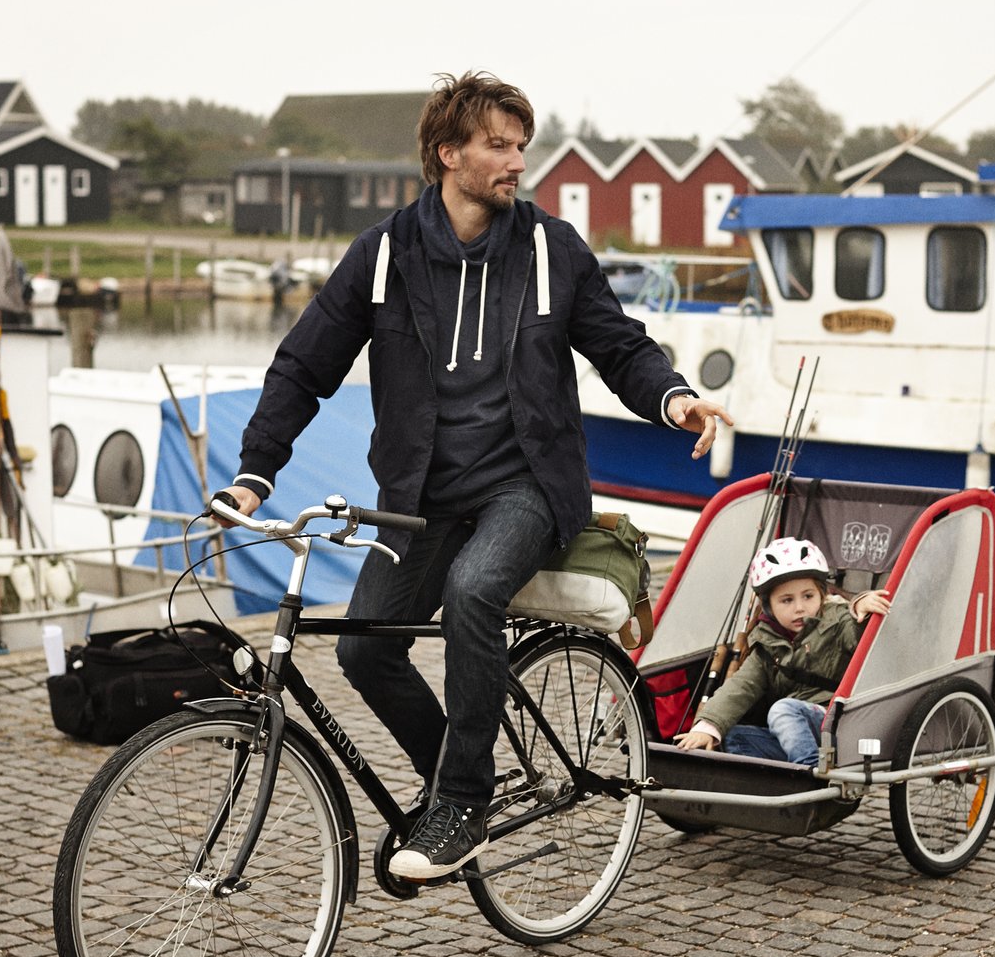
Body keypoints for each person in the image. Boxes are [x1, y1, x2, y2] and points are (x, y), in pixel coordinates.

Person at [210, 71, 732, 881]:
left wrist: (674, 399)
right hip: (420, 495)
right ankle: (456, 783)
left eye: (522, 145)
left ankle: (461, 803)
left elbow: (620, 346)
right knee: (363, 653)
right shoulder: (384, 254)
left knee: (474, 592)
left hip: (525, 483)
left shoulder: (552, 249)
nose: (517, 160)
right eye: (499, 144)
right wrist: (255, 473)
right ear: (447, 153)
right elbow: (303, 365)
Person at [672, 538, 891, 766]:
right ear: (769, 607)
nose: (799, 607)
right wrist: (709, 727)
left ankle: (808, 772)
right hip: (794, 732)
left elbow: (860, 635)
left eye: (808, 596)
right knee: (733, 736)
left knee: (782, 709)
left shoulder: (837, 621)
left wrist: (859, 607)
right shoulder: (767, 642)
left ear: (822, 594)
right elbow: (741, 687)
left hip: (837, 722)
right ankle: (771, 786)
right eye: (786, 600)